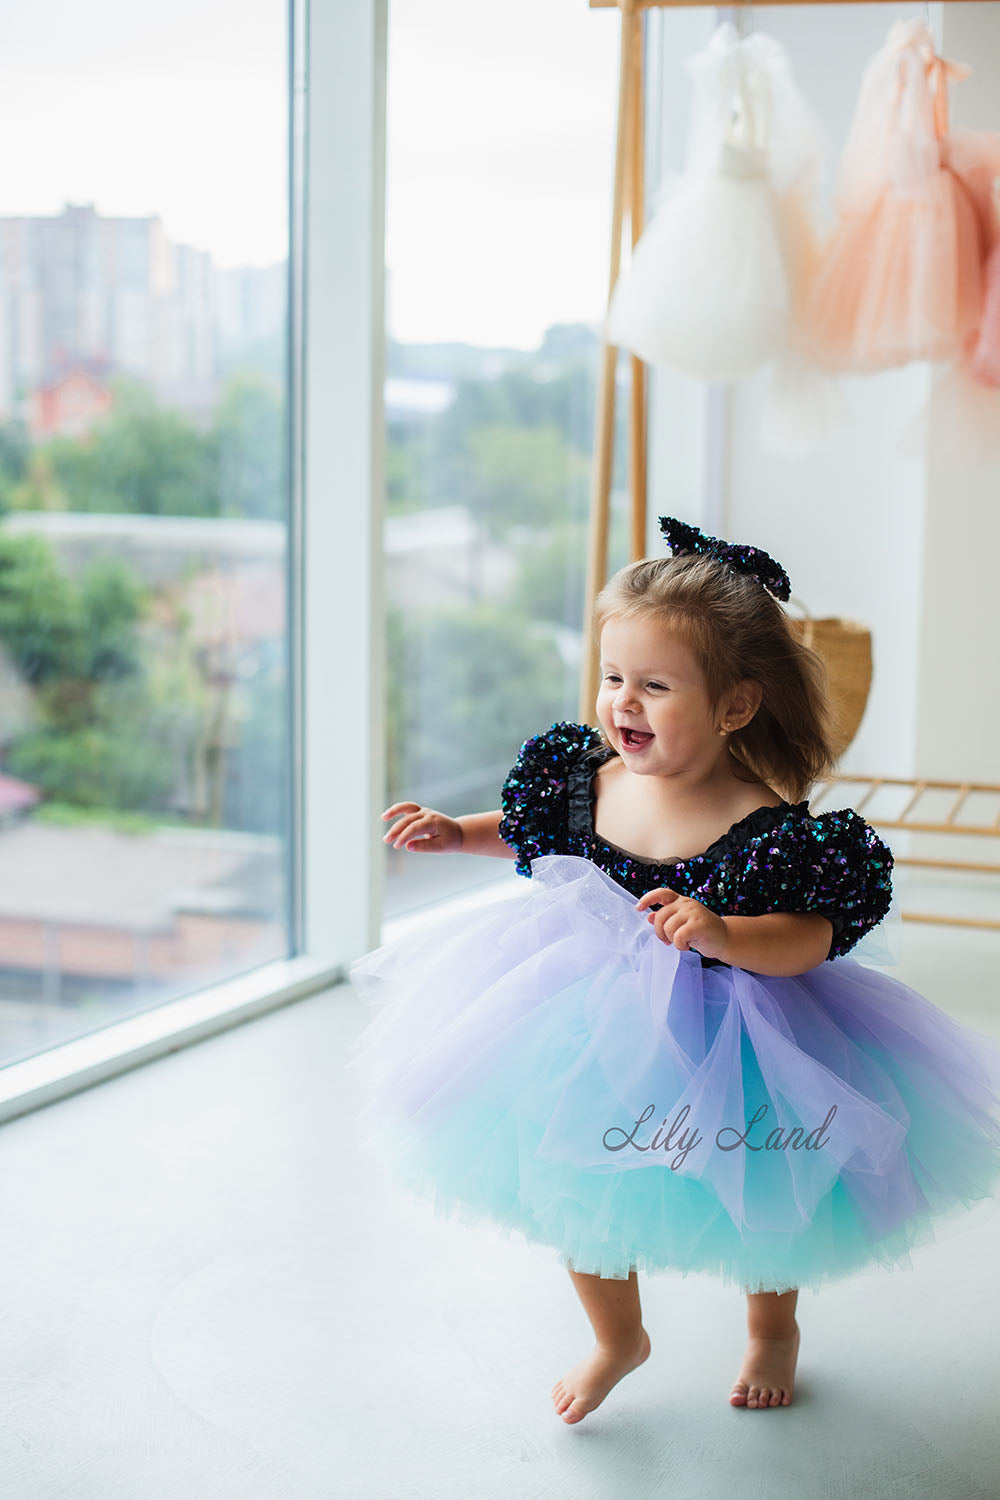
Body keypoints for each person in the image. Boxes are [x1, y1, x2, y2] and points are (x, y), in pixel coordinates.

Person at [347, 515, 1000, 1425]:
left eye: (655, 686)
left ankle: (773, 1325)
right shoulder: (585, 780)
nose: (624, 704)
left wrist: (726, 933)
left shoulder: (763, 821)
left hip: (740, 1027)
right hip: (580, 1010)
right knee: (576, 1178)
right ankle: (620, 1337)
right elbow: (541, 846)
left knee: (769, 1183)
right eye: (614, 679)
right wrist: (458, 834)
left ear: (735, 707)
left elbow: (809, 936)